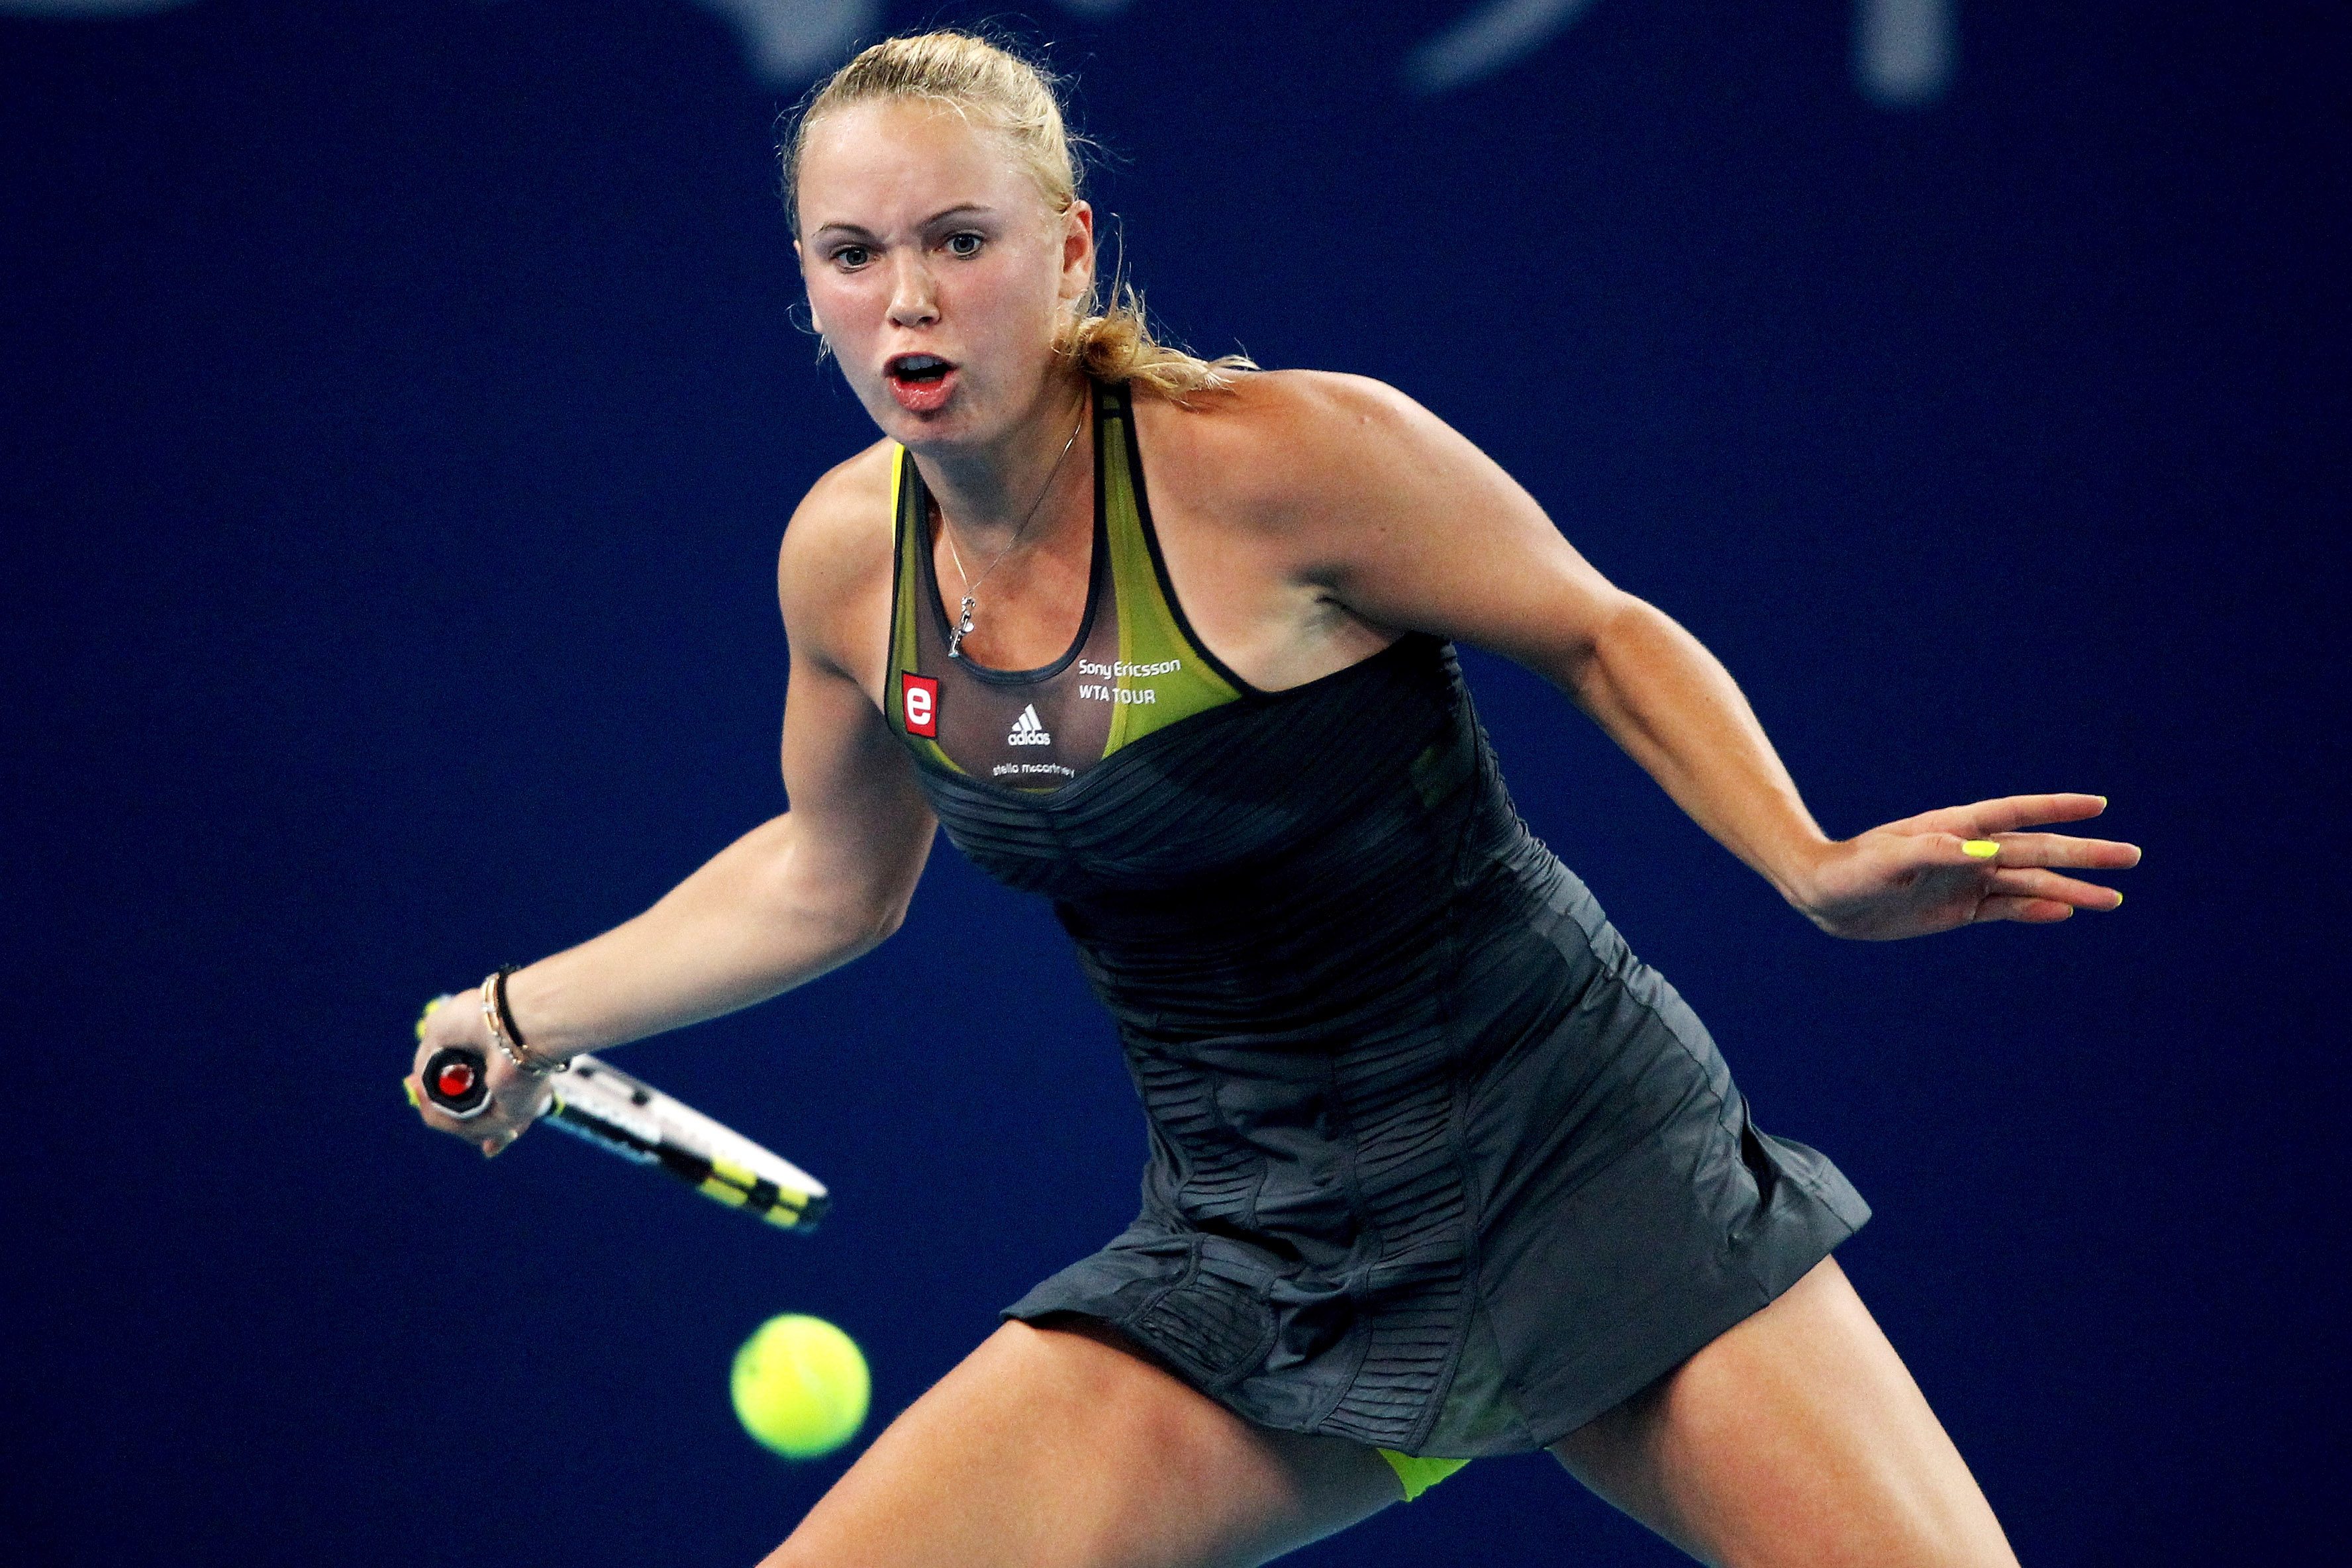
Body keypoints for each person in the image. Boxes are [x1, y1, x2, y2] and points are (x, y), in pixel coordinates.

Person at [408, 30, 2138, 1568]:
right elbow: (826, 880)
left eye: (960, 241)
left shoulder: (1283, 465)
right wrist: (517, 1011)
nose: (907, 302)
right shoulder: (848, 563)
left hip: (1580, 1170)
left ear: (1069, 250)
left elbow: (1598, 634)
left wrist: (1811, 865)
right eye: (854, 255)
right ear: (807, 279)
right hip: (1254, 1251)